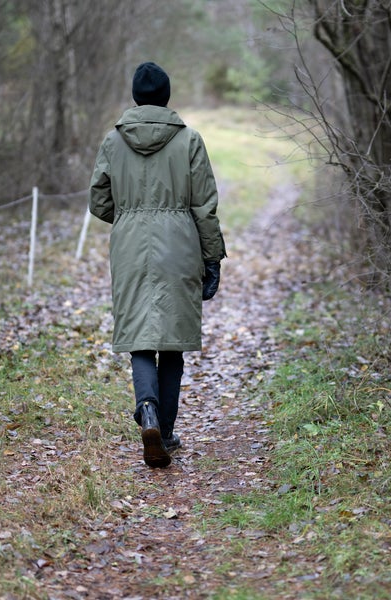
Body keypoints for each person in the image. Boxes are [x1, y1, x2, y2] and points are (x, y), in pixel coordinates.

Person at [89, 62, 226, 468]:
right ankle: (164, 432)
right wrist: (212, 257)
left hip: (130, 247)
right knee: (172, 343)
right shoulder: (189, 140)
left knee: (140, 338)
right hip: (179, 246)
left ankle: (146, 409)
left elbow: (99, 201)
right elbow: (204, 206)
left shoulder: (113, 141)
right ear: (166, 97)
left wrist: (129, 217)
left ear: (135, 97)